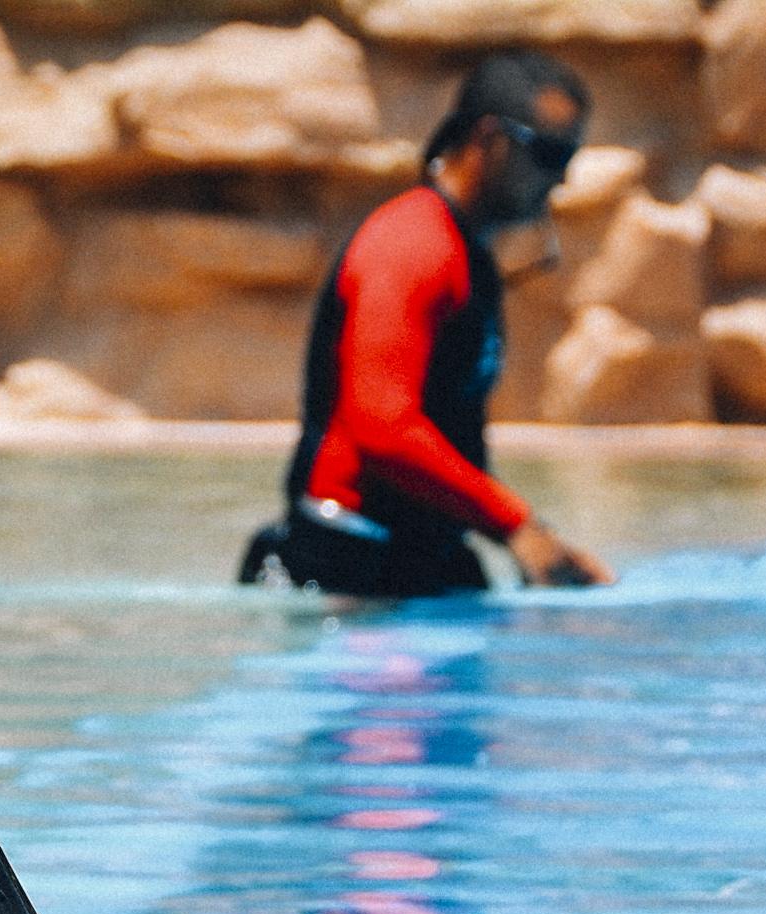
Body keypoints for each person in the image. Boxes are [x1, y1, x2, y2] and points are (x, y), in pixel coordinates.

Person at [241, 51, 615, 600]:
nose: (561, 178)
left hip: (408, 563)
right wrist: (517, 525)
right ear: (490, 140)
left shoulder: (465, 251)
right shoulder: (414, 243)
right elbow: (383, 427)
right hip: (344, 569)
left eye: (569, 157)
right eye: (550, 153)